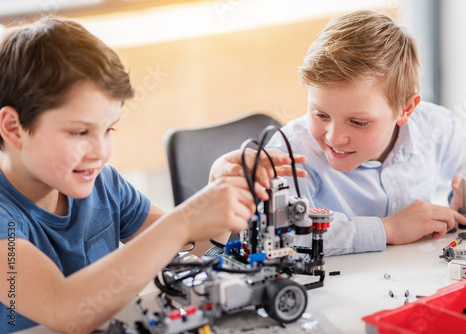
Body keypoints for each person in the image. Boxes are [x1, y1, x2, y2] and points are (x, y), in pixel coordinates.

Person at [0, 17, 304, 333]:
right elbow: (67, 310)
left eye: (109, 129)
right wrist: (184, 219)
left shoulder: (104, 183)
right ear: (13, 127)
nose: (100, 151)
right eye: (79, 132)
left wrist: (216, 194)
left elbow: (184, 254)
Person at [215, 10, 466, 256]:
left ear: (405, 109)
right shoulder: (291, 152)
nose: (334, 137)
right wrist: (387, 229)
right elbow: (282, 231)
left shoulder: (435, 127)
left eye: (358, 122)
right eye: (321, 115)